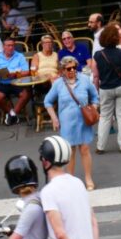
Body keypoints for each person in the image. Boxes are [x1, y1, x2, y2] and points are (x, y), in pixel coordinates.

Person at [45, 55, 100, 189]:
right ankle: (71, 180)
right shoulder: (58, 83)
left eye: (74, 67)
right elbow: (47, 101)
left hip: (83, 120)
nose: (72, 70)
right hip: (67, 122)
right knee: (70, 151)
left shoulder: (85, 80)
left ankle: (88, 178)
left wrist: (93, 109)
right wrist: (54, 118)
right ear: (62, 70)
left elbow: (95, 97)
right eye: (68, 68)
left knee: (85, 149)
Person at [92, 23, 121, 154]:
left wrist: (96, 92)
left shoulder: (97, 55)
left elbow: (95, 76)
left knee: (105, 117)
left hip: (105, 89)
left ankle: (100, 146)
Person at [0, 37, 32, 125]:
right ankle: (11, 112)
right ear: (4, 47)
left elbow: (26, 72)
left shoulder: (19, 56)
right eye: (8, 45)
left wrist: (16, 74)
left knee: (26, 94)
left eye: (12, 45)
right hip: (2, 83)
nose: (10, 47)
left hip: (17, 82)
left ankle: (12, 114)